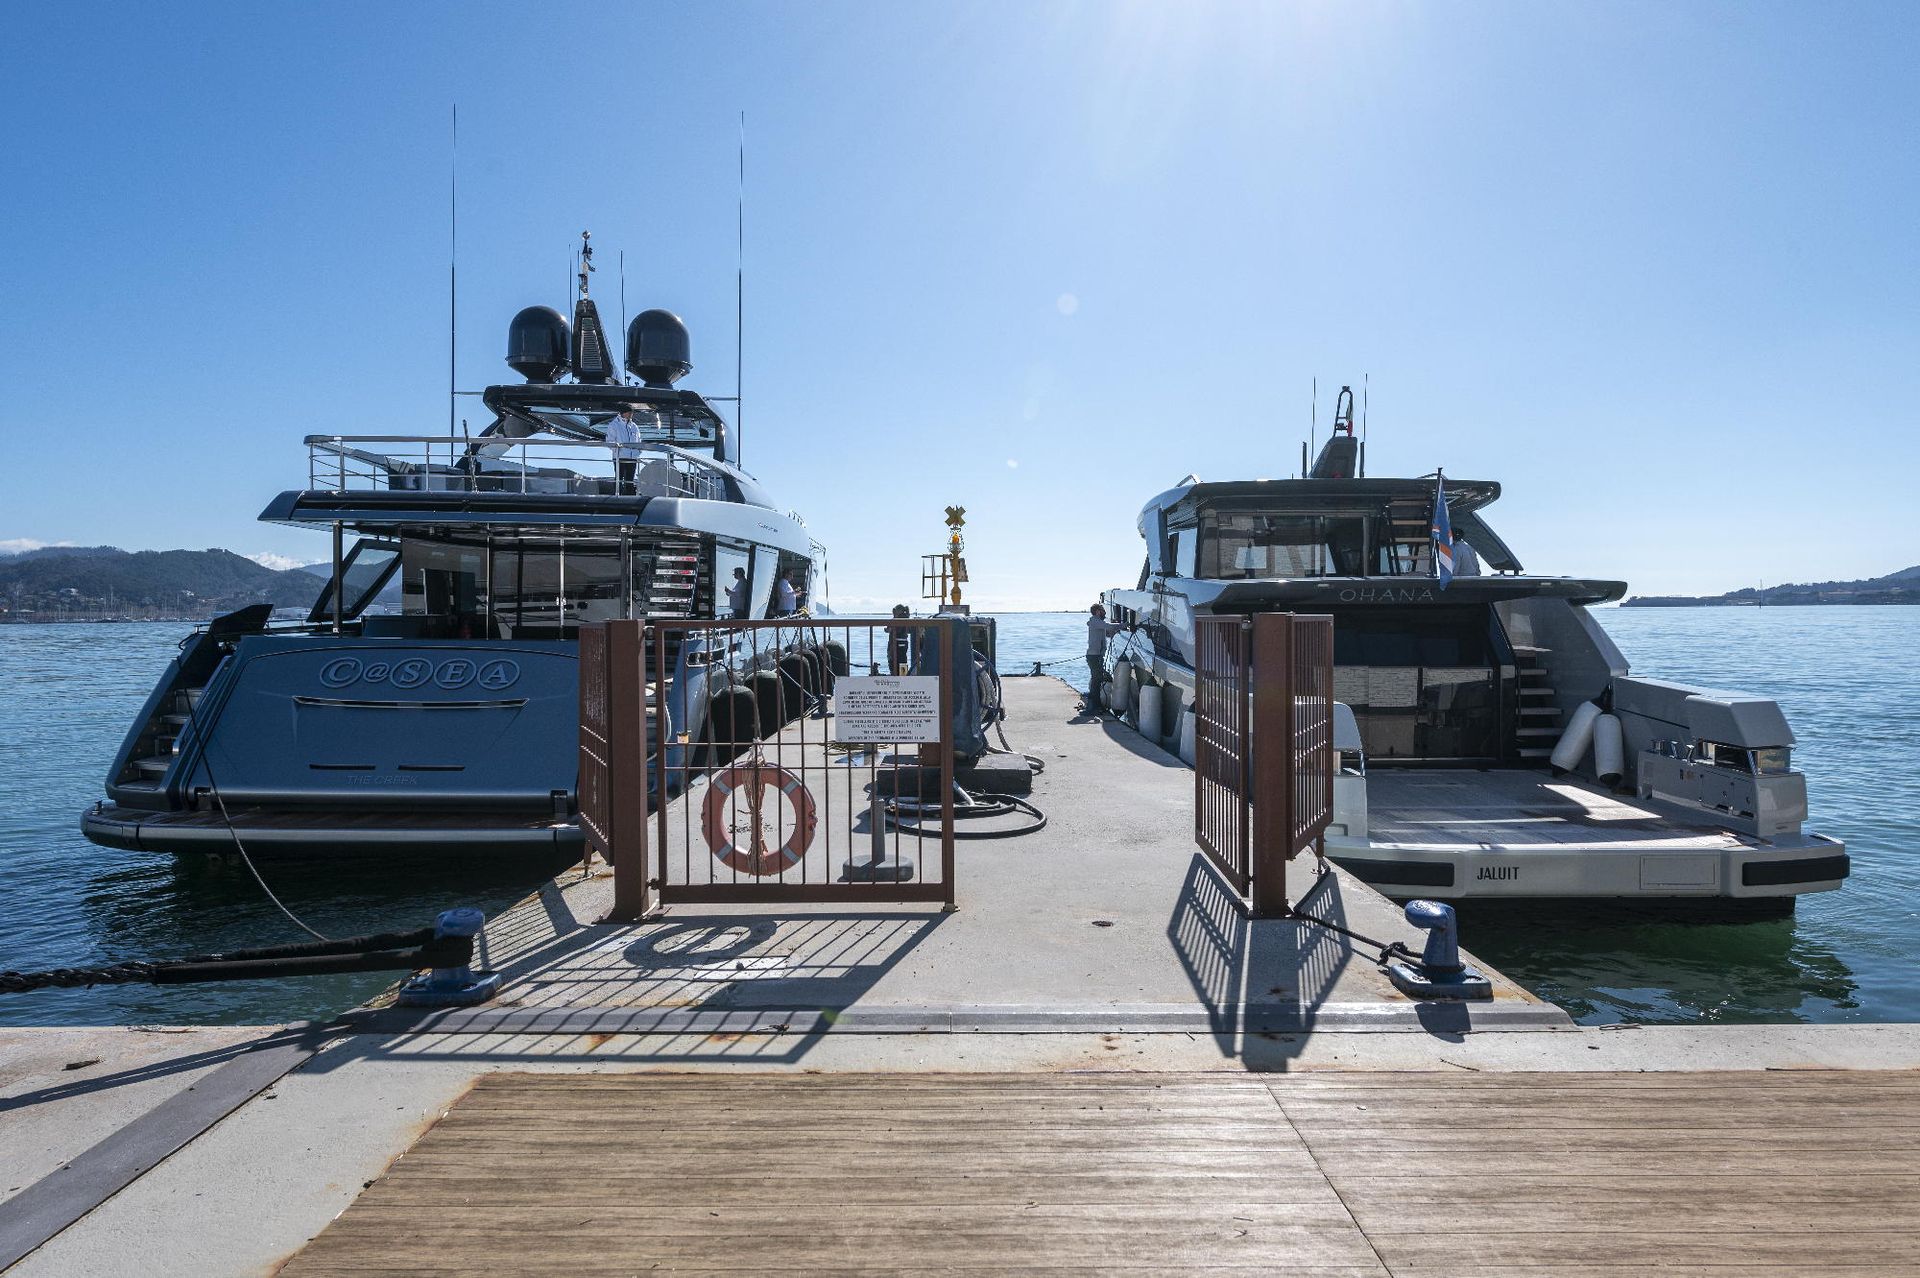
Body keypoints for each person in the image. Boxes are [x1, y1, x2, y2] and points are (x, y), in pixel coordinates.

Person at [1085, 602, 1122, 714]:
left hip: (1097, 656)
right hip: (1094, 656)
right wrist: (1124, 625)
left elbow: (1106, 632)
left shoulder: (1097, 623)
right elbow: (1109, 626)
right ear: (1097, 611)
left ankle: (1096, 705)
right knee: (1096, 680)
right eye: (1102, 610)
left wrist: (1116, 629)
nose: (1104, 612)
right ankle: (1093, 706)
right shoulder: (1096, 621)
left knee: (1097, 679)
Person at [607, 407, 643, 494]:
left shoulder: (634, 426)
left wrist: (637, 452)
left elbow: (639, 440)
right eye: (629, 412)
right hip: (620, 457)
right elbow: (610, 441)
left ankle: (630, 496)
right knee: (619, 478)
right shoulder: (614, 425)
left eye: (631, 413)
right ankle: (617, 495)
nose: (631, 415)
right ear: (623, 413)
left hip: (632, 457)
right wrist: (618, 451)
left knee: (630, 479)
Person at [886, 603, 913, 674]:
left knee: (893, 660)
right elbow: (910, 630)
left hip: (896, 643)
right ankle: (903, 676)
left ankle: (895, 675)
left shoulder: (896, 620)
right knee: (903, 660)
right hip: (904, 642)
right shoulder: (907, 619)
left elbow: (888, 629)